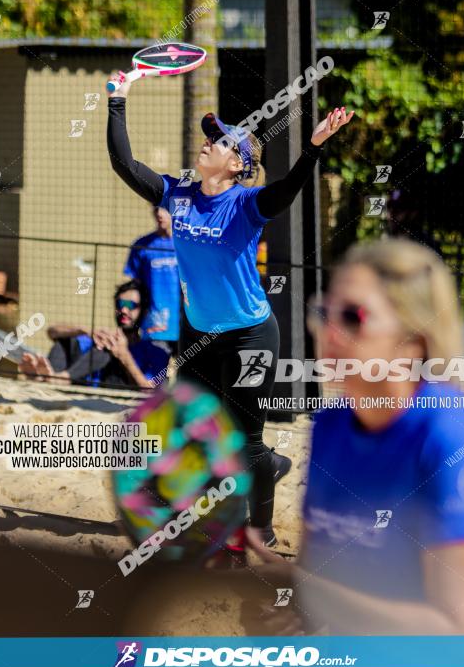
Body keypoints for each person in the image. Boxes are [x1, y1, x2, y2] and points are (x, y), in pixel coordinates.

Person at [106, 71, 354, 544]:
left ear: (239, 163)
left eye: (219, 141)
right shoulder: (177, 195)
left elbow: (285, 193)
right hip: (199, 333)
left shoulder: (246, 203)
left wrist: (315, 146)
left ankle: (261, 524)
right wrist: (118, 101)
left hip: (250, 335)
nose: (208, 141)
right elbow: (124, 163)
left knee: (245, 444)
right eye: (209, 135)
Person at [241, 238, 464, 637]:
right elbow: (322, 575)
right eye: (324, 312)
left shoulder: (455, 439)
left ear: (413, 341)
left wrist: (315, 592)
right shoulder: (331, 425)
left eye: (353, 316)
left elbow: (461, 640)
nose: (331, 330)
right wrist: (292, 608)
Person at [19, 280, 169, 389]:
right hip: (81, 389)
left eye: (130, 306)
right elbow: (52, 332)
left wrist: (124, 355)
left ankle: (54, 379)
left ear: (144, 310)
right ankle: (50, 378)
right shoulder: (104, 337)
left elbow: (149, 390)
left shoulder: (156, 350)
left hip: (117, 399)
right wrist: (84, 330)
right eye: (120, 305)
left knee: (106, 348)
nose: (123, 310)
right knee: (65, 341)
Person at [123, 205, 180, 352]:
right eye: (156, 209)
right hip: (155, 326)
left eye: (165, 208)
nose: (159, 214)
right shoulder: (142, 245)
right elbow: (133, 290)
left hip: (186, 326)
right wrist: (132, 326)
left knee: (188, 374)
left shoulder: (188, 244)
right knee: (157, 374)